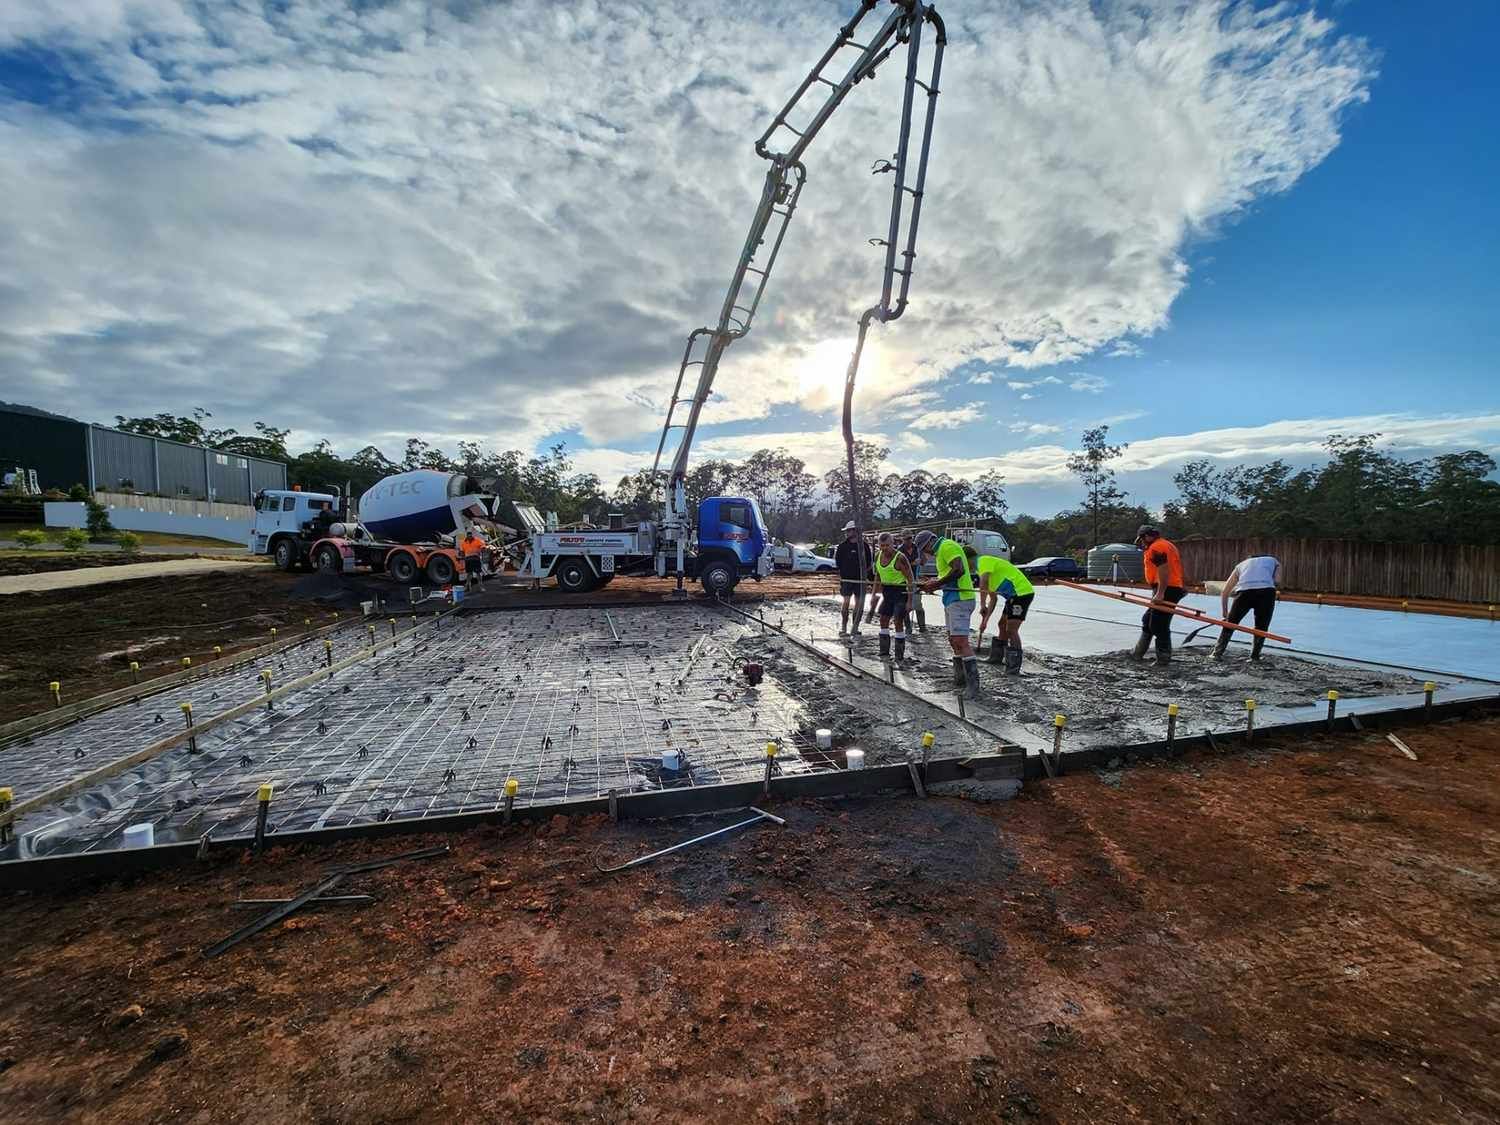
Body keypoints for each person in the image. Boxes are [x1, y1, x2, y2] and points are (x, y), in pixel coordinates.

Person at [915, 529, 980, 699]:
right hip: (951, 599)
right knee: (952, 639)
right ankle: (960, 678)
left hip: (960, 598)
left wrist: (936, 585)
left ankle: (973, 685)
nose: (925, 553)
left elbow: (958, 570)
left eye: (924, 549)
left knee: (961, 640)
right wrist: (933, 582)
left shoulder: (947, 546)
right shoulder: (941, 551)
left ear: (930, 542)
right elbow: (947, 574)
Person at [974, 550, 1035, 674]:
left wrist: (981, 603)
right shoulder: (979, 570)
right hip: (1012, 597)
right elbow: (993, 598)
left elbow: (984, 582)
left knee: (1011, 630)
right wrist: (985, 621)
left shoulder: (983, 561)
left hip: (1021, 593)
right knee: (1002, 625)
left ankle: (1013, 667)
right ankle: (996, 657)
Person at [1131, 524, 1185, 664]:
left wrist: (1161, 593)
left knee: (1159, 624)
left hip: (1167, 588)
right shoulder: (1166, 544)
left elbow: (1164, 570)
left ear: (1148, 536)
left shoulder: (1156, 547)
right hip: (1169, 587)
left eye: (1143, 539)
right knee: (1147, 620)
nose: (1142, 542)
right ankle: (1138, 652)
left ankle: (1163, 658)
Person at [1214, 554, 1281, 660]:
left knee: (1230, 624)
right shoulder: (1273, 561)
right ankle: (1255, 656)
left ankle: (1217, 653)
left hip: (1244, 593)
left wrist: (1225, 613)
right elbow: (1277, 581)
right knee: (1261, 627)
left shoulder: (1240, 565)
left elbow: (1225, 591)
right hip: (1266, 593)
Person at [873, 531, 916, 662]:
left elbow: (910, 579)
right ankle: (884, 651)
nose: (884, 548)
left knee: (898, 621)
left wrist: (910, 601)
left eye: (887, 545)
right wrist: (874, 594)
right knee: (883, 620)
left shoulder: (900, 558)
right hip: (887, 592)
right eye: (881, 546)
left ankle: (899, 655)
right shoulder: (877, 556)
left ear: (893, 544)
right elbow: (878, 576)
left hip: (900, 592)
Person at [834, 521, 870, 636]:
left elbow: (869, 562)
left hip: (860, 580)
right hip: (847, 580)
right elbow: (838, 562)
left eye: (850, 530)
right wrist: (844, 573)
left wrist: (865, 576)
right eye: (847, 531)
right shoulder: (842, 546)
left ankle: (855, 627)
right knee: (846, 602)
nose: (848, 533)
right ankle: (844, 627)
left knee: (859, 604)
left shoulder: (864, 546)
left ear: (855, 531)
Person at [899, 532, 928, 633]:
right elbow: (899, 565)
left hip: (916, 579)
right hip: (904, 580)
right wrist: (911, 563)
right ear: (902, 539)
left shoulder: (918, 548)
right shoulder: (900, 550)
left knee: (918, 604)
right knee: (906, 604)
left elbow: (924, 561)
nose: (908, 541)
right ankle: (908, 627)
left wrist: (921, 561)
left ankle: (922, 627)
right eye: (906, 539)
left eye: (910, 538)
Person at [460, 526, 486, 591]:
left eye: (470, 534)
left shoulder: (477, 540)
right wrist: (463, 558)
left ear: (472, 535)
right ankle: (467, 586)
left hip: (476, 559)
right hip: (468, 560)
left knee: (478, 574)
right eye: (468, 534)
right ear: (466, 535)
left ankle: (481, 587)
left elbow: (483, 546)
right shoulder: (463, 543)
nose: (469, 535)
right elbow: (462, 552)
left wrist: (482, 549)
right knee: (469, 574)